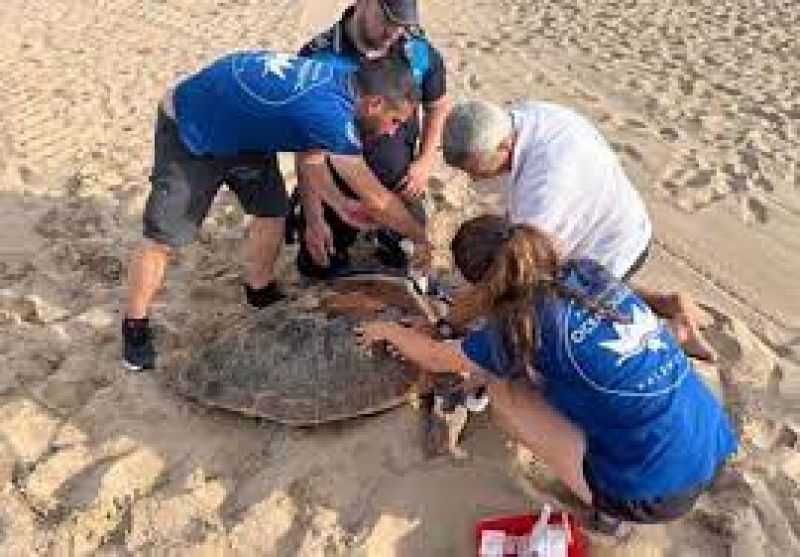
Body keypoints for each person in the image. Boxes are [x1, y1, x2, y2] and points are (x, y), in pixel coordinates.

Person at [357, 215, 737, 527]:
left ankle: (607, 512)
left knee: (502, 390)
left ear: (485, 287)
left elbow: (438, 358)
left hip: (655, 495)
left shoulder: (519, 325)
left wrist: (387, 330)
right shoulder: (589, 274)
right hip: (713, 440)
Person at [122, 50, 428, 371]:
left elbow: (312, 157)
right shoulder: (330, 114)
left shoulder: (346, 77)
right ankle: (135, 327)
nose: (393, 132)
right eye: (395, 121)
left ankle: (260, 291)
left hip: (244, 130)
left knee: (272, 212)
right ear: (374, 103)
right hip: (191, 128)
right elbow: (378, 200)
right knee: (164, 238)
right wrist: (422, 236)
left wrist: (338, 203)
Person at [441, 99, 715, 361]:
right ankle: (671, 304)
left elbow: (514, 273)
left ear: (504, 145)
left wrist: (450, 322)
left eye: (476, 169)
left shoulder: (545, 188)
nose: (474, 178)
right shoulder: (519, 118)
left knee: (550, 326)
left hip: (614, 244)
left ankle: (676, 335)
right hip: (610, 223)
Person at [291, 0, 451, 277]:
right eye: (388, 20)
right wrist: (314, 219)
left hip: (398, 184)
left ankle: (390, 230)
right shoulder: (319, 59)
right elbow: (306, 152)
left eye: (402, 24)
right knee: (319, 266)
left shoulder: (417, 50)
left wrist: (425, 162)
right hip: (336, 186)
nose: (394, 32)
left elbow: (438, 105)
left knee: (405, 263)